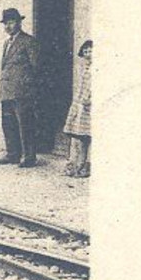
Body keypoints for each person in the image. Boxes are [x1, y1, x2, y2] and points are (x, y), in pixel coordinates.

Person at [0, 7, 41, 168]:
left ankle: (29, 156)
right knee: (8, 123)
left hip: (22, 91)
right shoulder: (7, 43)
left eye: (11, 22)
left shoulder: (28, 41)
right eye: (5, 23)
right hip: (7, 90)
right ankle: (12, 154)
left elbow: (36, 67)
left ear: (19, 23)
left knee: (25, 124)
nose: (8, 26)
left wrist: (28, 86)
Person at [63, 39, 92, 177]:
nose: (88, 53)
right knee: (77, 136)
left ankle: (83, 165)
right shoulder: (83, 68)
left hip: (89, 106)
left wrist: (90, 99)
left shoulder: (97, 69)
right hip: (80, 105)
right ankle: (74, 165)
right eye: (85, 51)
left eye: (91, 50)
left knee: (86, 136)